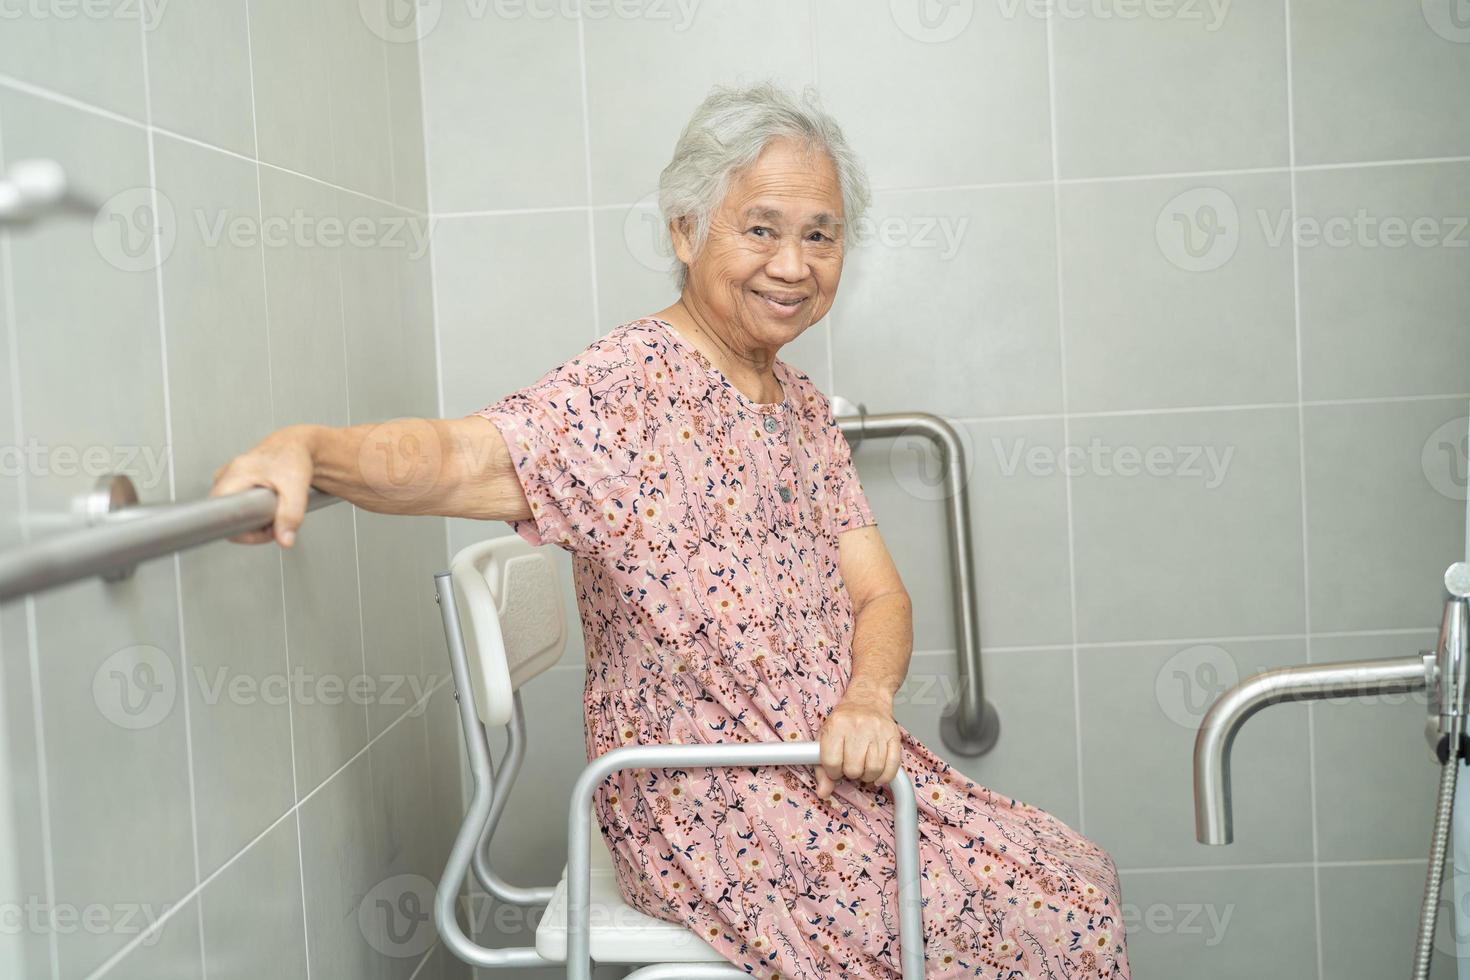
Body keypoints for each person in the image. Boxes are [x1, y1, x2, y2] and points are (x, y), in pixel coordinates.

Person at [211, 81, 1131, 980]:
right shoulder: (630, 388)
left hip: (823, 766)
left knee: (1077, 875)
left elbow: (881, 592)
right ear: (686, 231)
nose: (794, 264)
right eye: (761, 228)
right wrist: (311, 449)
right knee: (1060, 926)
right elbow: (459, 458)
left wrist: (869, 698)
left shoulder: (800, 407)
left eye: (821, 236)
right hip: (710, 795)